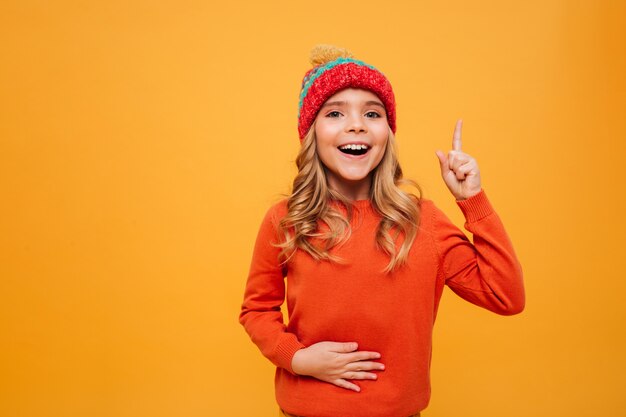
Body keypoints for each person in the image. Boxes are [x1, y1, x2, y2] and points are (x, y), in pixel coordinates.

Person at [238, 44, 525, 417]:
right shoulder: (287, 219)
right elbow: (256, 309)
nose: (356, 124)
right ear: (311, 134)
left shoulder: (425, 222)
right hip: (305, 411)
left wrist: (473, 200)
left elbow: (505, 295)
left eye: (371, 113)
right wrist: (297, 359)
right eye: (336, 113)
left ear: (388, 134)